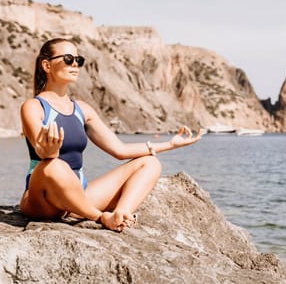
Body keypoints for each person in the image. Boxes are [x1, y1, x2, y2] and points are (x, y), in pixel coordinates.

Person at [20, 38, 202, 231]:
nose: (74, 64)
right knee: (53, 165)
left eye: (78, 60)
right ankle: (100, 217)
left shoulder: (82, 109)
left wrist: (170, 144)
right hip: (43, 200)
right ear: (47, 65)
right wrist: (50, 152)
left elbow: (120, 150)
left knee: (150, 163)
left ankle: (121, 215)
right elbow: (41, 149)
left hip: (79, 197)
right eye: (67, 58)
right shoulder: (33, 106)